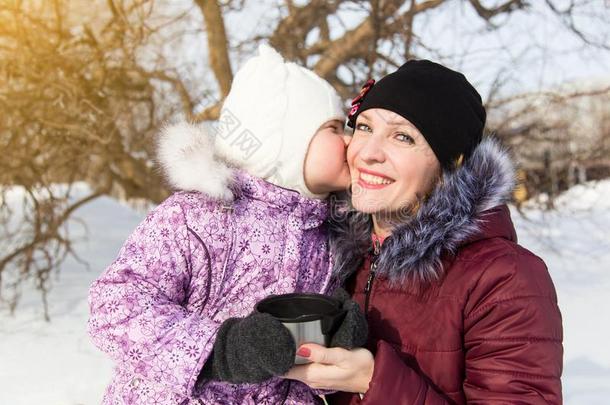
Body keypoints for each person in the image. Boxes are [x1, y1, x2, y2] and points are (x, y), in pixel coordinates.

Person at [87, 45, 366, 405]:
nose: (349, 140)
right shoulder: (199, 216)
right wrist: (223, 349)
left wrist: (333, 339)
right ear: (284, 144)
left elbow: (292, 361)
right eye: (333, 128)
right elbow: (114, 306)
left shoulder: (330, 236)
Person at [283, 59, 563, 404]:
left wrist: (374, 382)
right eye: (365, 127)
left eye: (403, 137)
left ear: (450, 166)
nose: (368, 153)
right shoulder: (329, 258)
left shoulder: (506, 278)